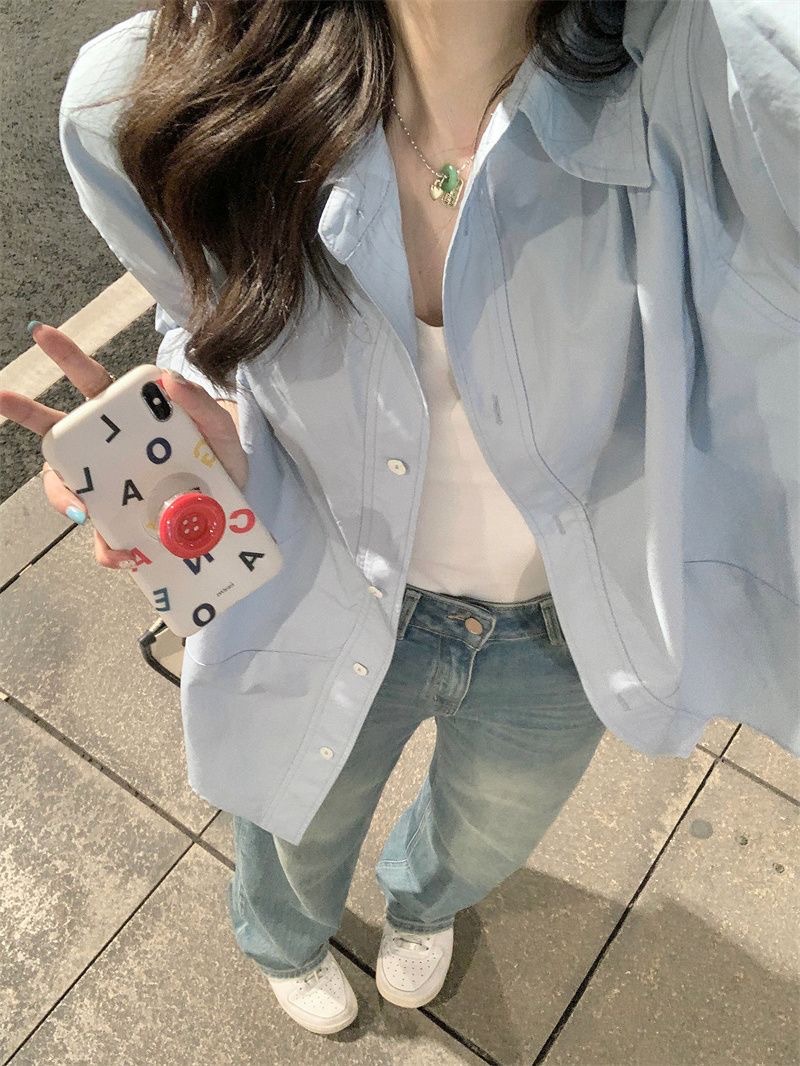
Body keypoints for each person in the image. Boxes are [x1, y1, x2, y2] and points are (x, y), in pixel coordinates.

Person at [3, 0, 798, 1039]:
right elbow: (200, 318)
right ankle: (282, 938)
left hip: (563, 631)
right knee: (292, 821)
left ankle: (423, 903)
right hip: (324, 579)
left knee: (484, 831)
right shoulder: (172, 90)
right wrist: (214, 423)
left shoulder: (699, 76)